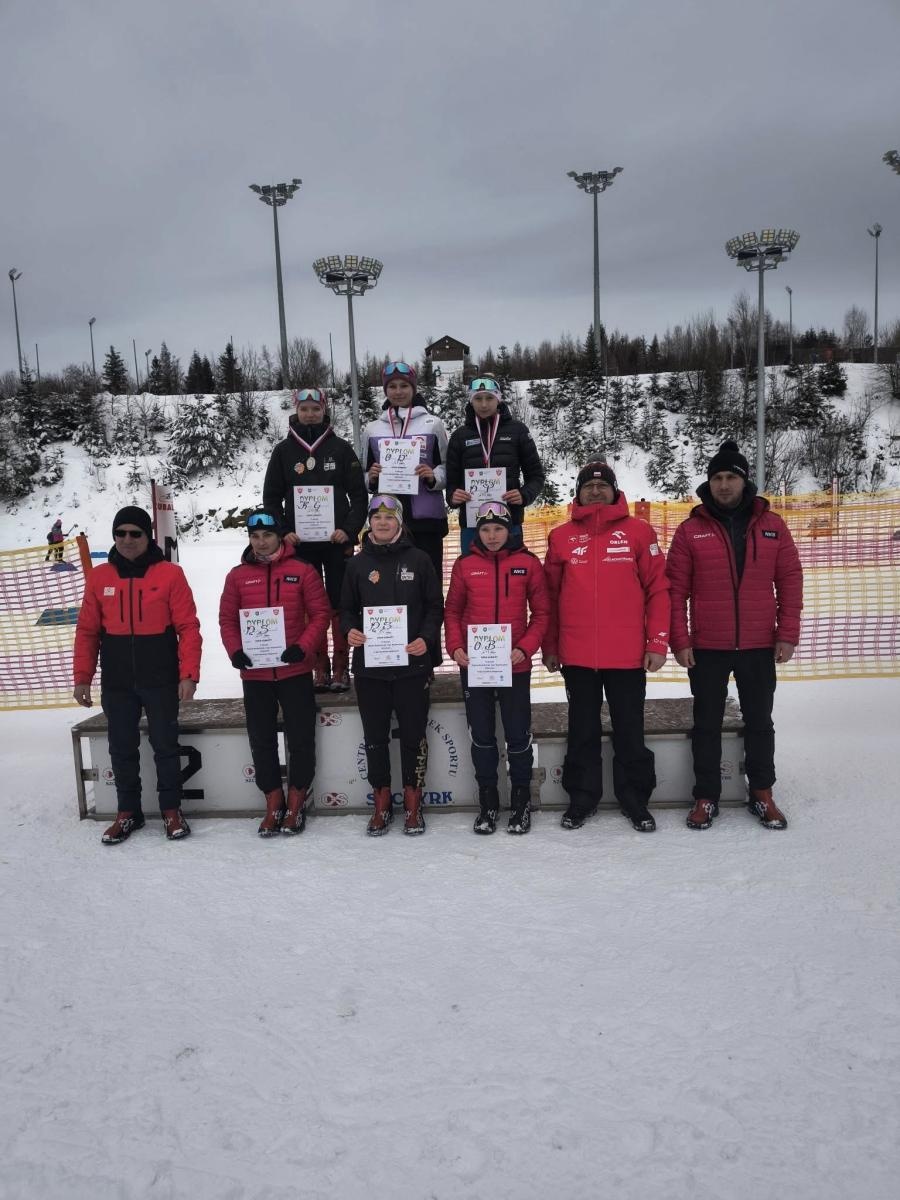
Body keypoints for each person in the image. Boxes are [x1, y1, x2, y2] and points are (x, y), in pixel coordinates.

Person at [666, 441, 803, 831]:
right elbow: (675, 591)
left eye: (731, 477)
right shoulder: (691, 530)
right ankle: (706, 796)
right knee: (706, 723)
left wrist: (787, 633)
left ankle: (762, 791)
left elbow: (790, 580)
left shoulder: (772, 525)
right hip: (707, 646)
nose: (724, 485)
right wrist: (680, 640)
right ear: (708, 483)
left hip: (759, 644)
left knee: (760, 721)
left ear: (745, 481)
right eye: (717, 478)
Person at [543, 462, 670, 832]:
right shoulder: (561, 536)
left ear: (615, 491)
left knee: (630, 730)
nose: (596, 492)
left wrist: (657, 641)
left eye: (603, 486)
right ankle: (582, 798)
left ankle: (635, 799)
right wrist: (551, 646)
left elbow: (659, 589)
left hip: (627, 654)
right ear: (578, 494)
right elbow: (549, 597)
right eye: (588, 487)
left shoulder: (640, 531)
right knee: (582, 731)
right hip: (577, 654)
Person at [72, 505, 202, 844]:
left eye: (135, 533)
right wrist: (82, 676)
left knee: (165, 745)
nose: (127, 539)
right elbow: (87, 631)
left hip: (160, 676)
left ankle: (171, 809)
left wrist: (189, 673)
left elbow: (188, 628)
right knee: (121, 748)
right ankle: (128, 811)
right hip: (117, 679)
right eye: (120, 533)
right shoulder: (100, 577)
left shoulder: (170, 574)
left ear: (148, 537)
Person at [218, 506, 331, 837]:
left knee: (300, 738)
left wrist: (303, 647)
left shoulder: (303, 570)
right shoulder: (237, 576)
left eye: (268, 535)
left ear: (280, 536)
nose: (261, 542)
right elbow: (227, 619)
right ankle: (273, 800)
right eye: (254, 536)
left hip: (294, 670)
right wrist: (235, 651)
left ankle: (296, 799)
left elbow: (321, 614)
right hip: (256, 675)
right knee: (261, 739)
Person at [340, 494, 444, 836]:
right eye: (377, 517)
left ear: (400, 521)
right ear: (369, 522)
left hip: (412, 666)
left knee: (414, 736)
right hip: (370, 669)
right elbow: (346, 610)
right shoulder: (356, 564)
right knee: (375, 738)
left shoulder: (420, 559)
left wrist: (426, 639)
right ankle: (381, 802)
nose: (382, 523)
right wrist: (350, 631)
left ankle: (413, 802)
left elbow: (435, 606)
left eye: (389, 517)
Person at [444, 500, 550, 835]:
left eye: (498, 529)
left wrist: (525, 648)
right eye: (486, 529)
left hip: (514, 664)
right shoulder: (465, 564)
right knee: (482, 736)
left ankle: (521, 802)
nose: (492, 536)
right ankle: (488, 802)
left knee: (518, 736)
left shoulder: (527, 563)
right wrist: (456, 647)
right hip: (475, 665)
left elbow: (542, 614)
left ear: (510, 530)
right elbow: (452, 611)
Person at [263, 386, 367, 693]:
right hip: (300, 544)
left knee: (339, 602)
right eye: (304, 409)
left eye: (316, 409)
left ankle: (341, 666)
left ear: (324, 411)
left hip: (336, 542)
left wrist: (348, 530)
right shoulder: (283, 451)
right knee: (309, 604)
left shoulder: (341, 448)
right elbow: (271, 498)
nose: (310, 414)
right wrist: (284, 531)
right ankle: (318, 666)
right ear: (296, 411)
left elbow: (359, 496)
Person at [362, 361, 449, 585]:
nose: (398, 391)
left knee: (429, 581)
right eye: (392, 386)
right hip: (387, 519)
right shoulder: (372, 429)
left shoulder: (433, 424)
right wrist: (371, 477)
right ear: (385, 390)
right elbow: (363, 473)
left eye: (404, 386)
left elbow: (447, 467)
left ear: (413, 388)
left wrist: (433, 476)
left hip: (426, 518)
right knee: (391, 584)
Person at [445, 377, 545, 554]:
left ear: (498, 399)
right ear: (471, 401)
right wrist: (453, 496)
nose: (484, 404)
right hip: (473, 524)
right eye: (478, 398)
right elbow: (451, 482)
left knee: (510, 571)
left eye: (489, 398)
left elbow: (536, 476)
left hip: (509, 522)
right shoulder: (460, 436)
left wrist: (524, 495)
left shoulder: (518, 431)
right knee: (473, 570)